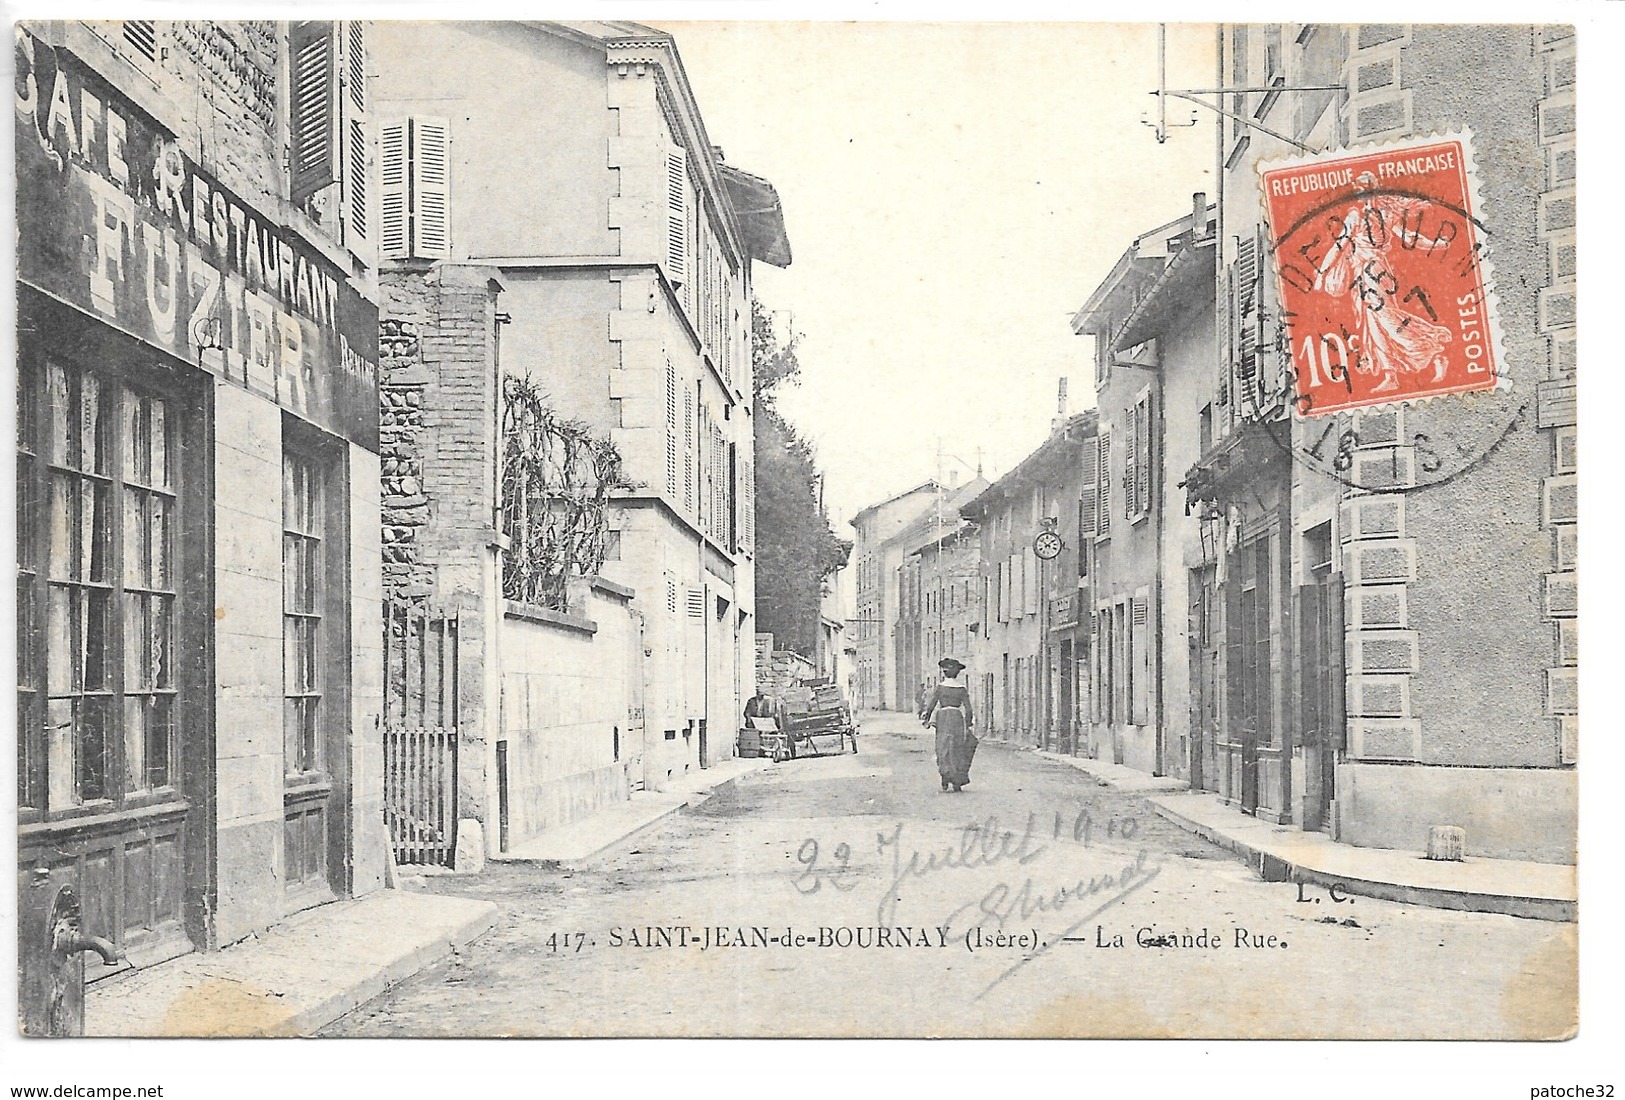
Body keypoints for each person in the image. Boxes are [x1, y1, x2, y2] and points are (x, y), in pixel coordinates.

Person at [919, 657, 976, 793]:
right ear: (957, 673)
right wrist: (968, 723)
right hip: (957, 718)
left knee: (943, 747)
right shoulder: (961, 688)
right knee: (957, 747)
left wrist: (926, 718)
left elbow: (932, 704)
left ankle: (945, 777)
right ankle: (957, 780)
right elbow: (968, 708)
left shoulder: (940, 687)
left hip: (943, 717)